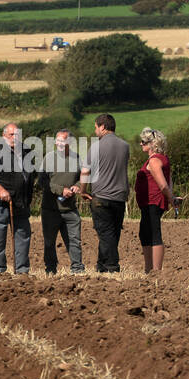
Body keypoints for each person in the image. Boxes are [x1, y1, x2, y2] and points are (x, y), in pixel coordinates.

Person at [0, 122, 34, 275]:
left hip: (21, 203)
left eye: (17, 135)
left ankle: (22, 272)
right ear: (4, 136)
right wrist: (1, 190)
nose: (14, 138)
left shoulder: (27, 151)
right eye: (11, 134)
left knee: (23, 236)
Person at [81, 113, 130, 273]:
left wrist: (83, 190)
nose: (95, 131)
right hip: (120, 196)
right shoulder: (125, 146)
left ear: (103, 126)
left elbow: (85, 171)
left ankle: (112, 267)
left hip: (101, 196)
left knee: (106, 233)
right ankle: (101, 266)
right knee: (112, 233)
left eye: (96, 127)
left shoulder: (96, 146)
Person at [40, 129, 86, 275]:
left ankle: (77, 269)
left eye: (63, 141)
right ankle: (50, 270)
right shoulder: (48, 158)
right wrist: (61, 190)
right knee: (49, 242)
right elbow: (42, 181)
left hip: (70, 209)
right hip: (50, 209)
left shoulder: (77, 158)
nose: (60, 143)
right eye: (58, 140)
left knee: (74, 240)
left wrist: (77, 186)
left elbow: (82, 178)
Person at [135, 126, 176, 273]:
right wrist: (172, 197)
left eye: (144, 142)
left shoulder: (154, 161)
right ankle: (149, 269)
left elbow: (163, 184)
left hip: (153, 201)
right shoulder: (161, 159)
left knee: (153, 233)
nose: (141, 144)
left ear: (153, 144)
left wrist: (171, 199)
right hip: (148, 202)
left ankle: (155, 271)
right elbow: (169, 181)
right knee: (145, 233)